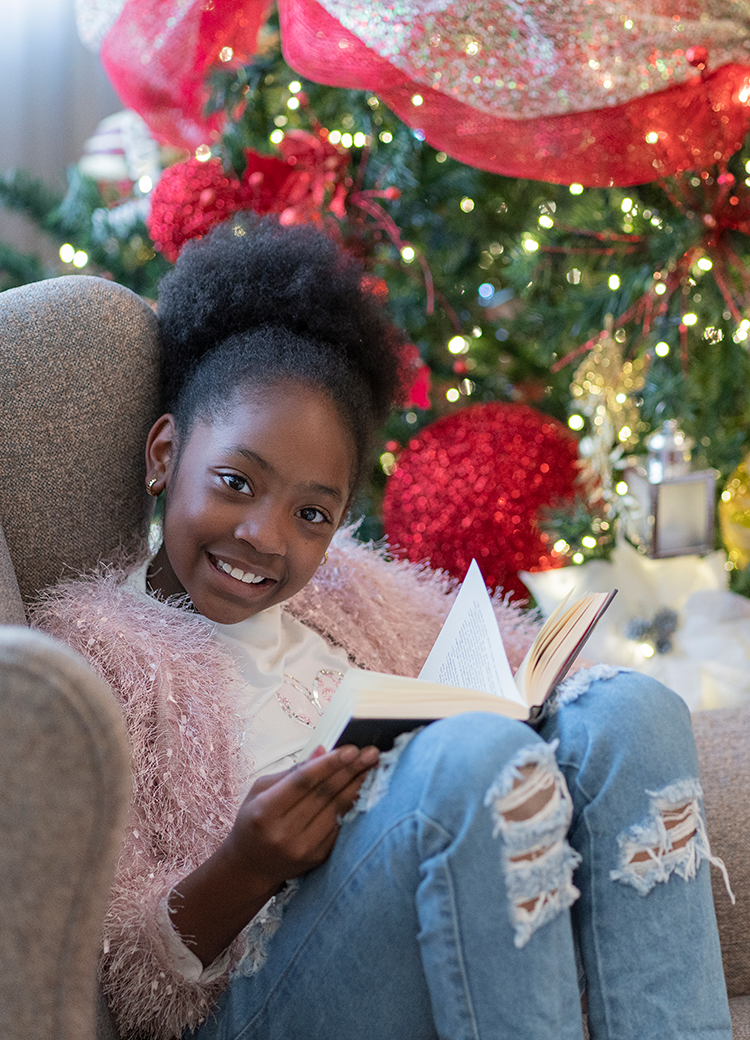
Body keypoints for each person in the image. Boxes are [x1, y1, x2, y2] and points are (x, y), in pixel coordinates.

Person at [33, 215, 732, 1040]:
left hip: (420, 906)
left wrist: (540, 686)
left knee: (632, 709)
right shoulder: (90, 655)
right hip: (259, 1002)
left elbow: (502, 672)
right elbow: (118, 976)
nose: (265, 536)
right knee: (473, 757)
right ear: (164, 453)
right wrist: (245, 866)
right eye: (234, 481)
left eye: (311, 514)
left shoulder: (347, 593)